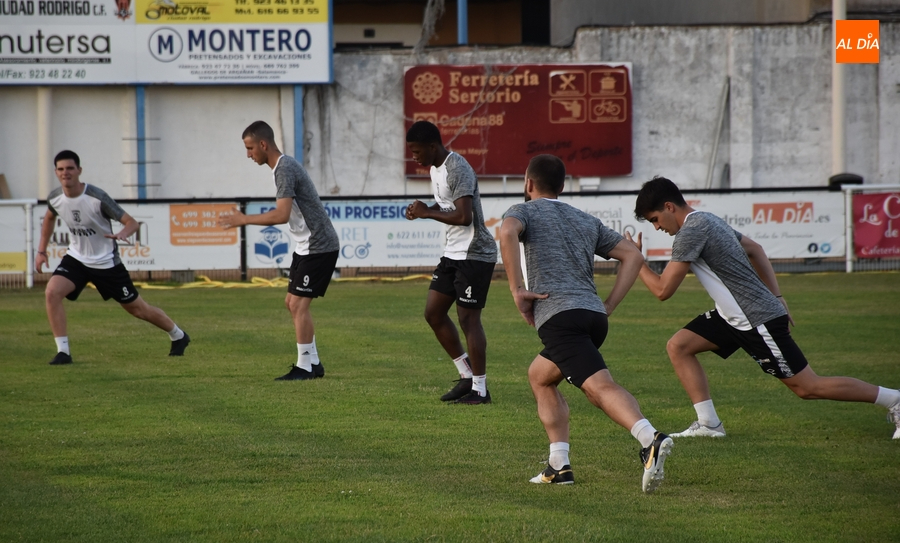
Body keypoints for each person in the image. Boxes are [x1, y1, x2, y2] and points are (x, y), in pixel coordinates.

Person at [628, 176, 900, 439]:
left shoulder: (690, 232)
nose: (656, 227)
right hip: (732, 317)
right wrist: (778, 296)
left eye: (655, 220)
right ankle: (709, 425)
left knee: (807, 387)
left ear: (668, 207)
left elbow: (663, 290)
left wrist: (636, 259)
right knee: (679, 346)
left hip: (755, 319)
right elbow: (755, 248)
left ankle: (895, 400)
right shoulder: (707, 219)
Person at [499, 154, 673, 493]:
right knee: (540, 377)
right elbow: (633, 256)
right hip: (592, 316)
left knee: (598, 386)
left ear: (528, 183)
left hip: (559, 316)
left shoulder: (522, 210)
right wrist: (607, 305)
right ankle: (558, 466)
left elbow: (506, 232)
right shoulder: (583, 218)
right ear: (562, 187)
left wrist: (517, 290)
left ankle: (649, 438)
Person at [35, 150, 190, 365]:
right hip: (77, 259)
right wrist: (41, 251)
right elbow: (49, 217)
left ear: (79, 170)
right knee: (52, 292)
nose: (65, 173)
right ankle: (63, 352)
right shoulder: (55, 198)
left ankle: (178, 335)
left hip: (106, 263)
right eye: (61, 169)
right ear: (56, 172)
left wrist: (122, 234)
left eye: (70, 168)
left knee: (138, 309)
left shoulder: (97, 197)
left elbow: (132, 222)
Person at [218, 121, 340, 381]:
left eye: (250, 148)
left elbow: (282, 214)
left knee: (298, 304)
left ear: (263, 144)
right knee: (291, 303)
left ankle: (305, 367)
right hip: (306, 246)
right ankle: (314, 363)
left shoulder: (284, 168)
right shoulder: (282, 168)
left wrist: (244, 219)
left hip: (319, 245)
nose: (248, 154)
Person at [405, 120, 498, 405]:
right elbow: (448, 207)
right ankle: (466, 376)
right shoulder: (435, 168)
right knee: (433, 313)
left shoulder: (457, 168)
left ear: (433, 146)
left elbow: (464, 217)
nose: (414, 157)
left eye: (417, 151)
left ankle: (480, 390)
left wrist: (426, 214)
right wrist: (424, 209)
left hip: (474, 254)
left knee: (469, 320)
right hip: (452, 253)